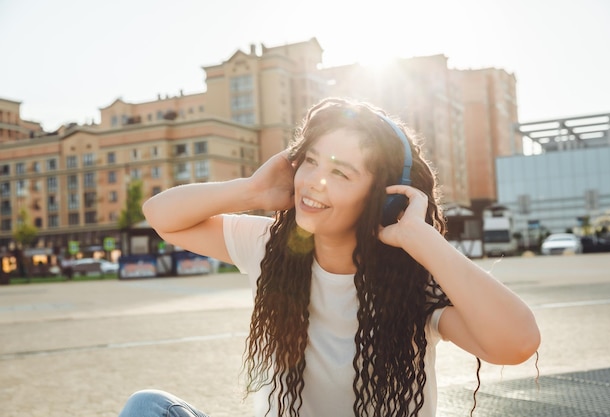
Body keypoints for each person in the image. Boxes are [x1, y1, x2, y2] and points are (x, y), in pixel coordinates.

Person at [119, 97, 540, 417]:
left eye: (340, 173)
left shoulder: (414, 282)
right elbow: (162, 216)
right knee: (148, 407)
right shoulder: (268, 245)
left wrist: (421, 239)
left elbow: (517, 343)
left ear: (384, 199)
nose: (315, 182)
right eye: (311, 162)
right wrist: (252, 190)